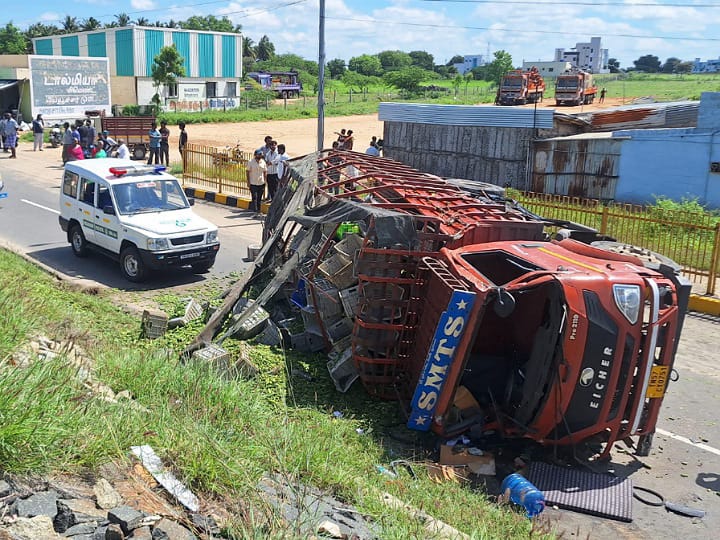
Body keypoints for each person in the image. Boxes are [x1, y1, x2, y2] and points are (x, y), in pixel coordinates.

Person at [246, 148, 267, 215]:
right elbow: (247, 172)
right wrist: (248, 182)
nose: (260, 156)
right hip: (253, 182)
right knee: (254, 197)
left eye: (261, 154)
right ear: (255, 155)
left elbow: (265, 171)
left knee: (259, 198)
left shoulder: (263, 162)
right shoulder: (250, 162)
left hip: (261, 182)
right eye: (259, 154)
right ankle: (255, 211)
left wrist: (265, 181)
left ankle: (258, 210)